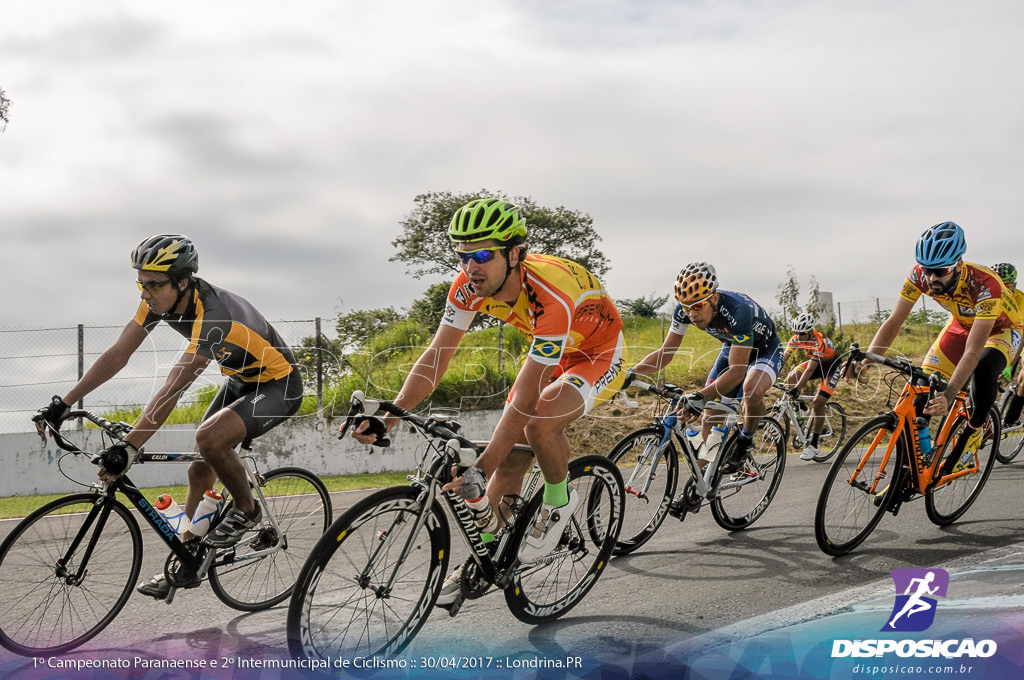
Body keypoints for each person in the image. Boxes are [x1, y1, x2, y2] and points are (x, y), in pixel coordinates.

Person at [350, 198, 627, 605]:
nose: (470, 267)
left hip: (596, 351)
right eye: (463, 255)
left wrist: (482, 466)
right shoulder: (467, 287)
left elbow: (529, 396)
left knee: (536, 422)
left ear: (514, 253)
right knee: (512, 453)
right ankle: (487, 558)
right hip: (552, 348)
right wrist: (391, 417)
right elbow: (436, 357)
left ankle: (558, 501)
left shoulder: (551, 295)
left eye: (482, 254)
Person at [33, 234, 303, 599]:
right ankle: (188, 559)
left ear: (182, 281)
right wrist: (64, 403)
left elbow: (175, 385)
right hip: (241, 380)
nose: (145, 293)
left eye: (154, 285)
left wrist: (130, 446)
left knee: (210, 439)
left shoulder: (215, 315)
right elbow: (118, 354)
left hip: (278, 385)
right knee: (199, 468)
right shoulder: (158, 301)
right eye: (141, 284)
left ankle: (246, 508)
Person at [846, 223, 1021, 473]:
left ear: (959, 265)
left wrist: (949, 395)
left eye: (940, 271)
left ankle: (974, 430)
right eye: (928, 270)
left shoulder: (985, 284)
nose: (932, 279)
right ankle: (912, 468)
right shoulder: (919, 275)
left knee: (982, 369)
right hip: (960, 325)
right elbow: (894, 321)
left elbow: (973, 350)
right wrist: (868, 360)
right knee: (922, 388)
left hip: (1001, 330)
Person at [625, 262, 784, 504]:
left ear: (714, 299)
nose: (692, 313)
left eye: (698, 305)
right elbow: (665, 353)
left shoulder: (737, 311)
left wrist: (700, 396)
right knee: (710, 417)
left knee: (751, 389)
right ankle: (699, 486)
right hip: (733, 347)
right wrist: (631, 373)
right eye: (687, 307)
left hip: (765, 351)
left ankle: (745, 438)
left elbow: (738, 371)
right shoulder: (684, 311)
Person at [780, 312, 843, 461]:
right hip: (817, 364)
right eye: (796, 333)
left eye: (802, 333)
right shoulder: (795, 339)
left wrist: (798, 388)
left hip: (831, 367)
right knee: (791, 378)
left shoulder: (818, 342)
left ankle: (814, 445)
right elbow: (783, 359)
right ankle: (802, 408)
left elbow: (809, 370)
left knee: (819, 402)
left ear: (809, 331)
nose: (799, 336)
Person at [991, 263, 1024, 426]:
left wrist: (1010, 366)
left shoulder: (1020, 300)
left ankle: (1010, 419)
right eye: (1000, 285)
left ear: (1014, 285)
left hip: (1019, 337)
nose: (1004, 290)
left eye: (1007, 286)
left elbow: (1020, 336)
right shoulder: (991, 295)